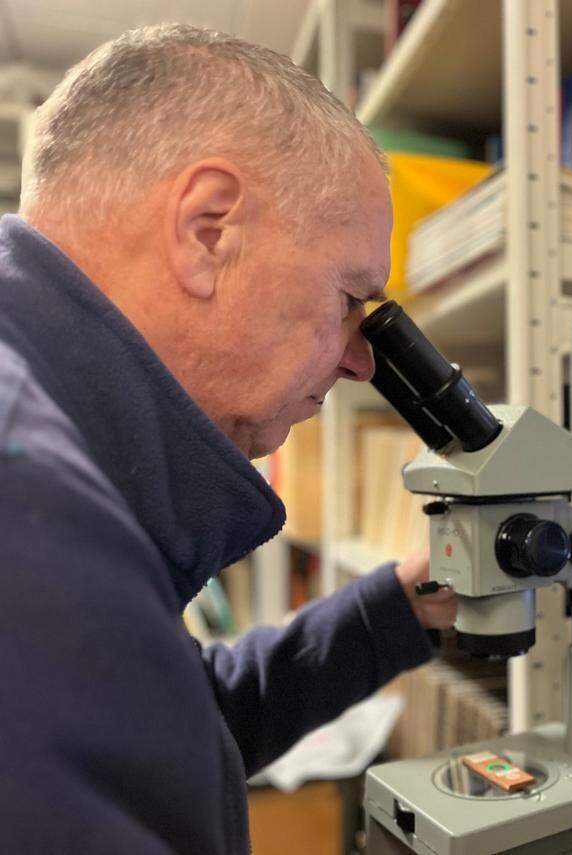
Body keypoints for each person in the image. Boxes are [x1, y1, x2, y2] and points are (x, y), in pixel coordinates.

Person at [0, 23, 455, 853]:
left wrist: (398, 606)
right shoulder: (27, 511)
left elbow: (155, 730)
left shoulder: (61, 468)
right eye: (349, 297)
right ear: (208, 231)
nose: (361, 360)